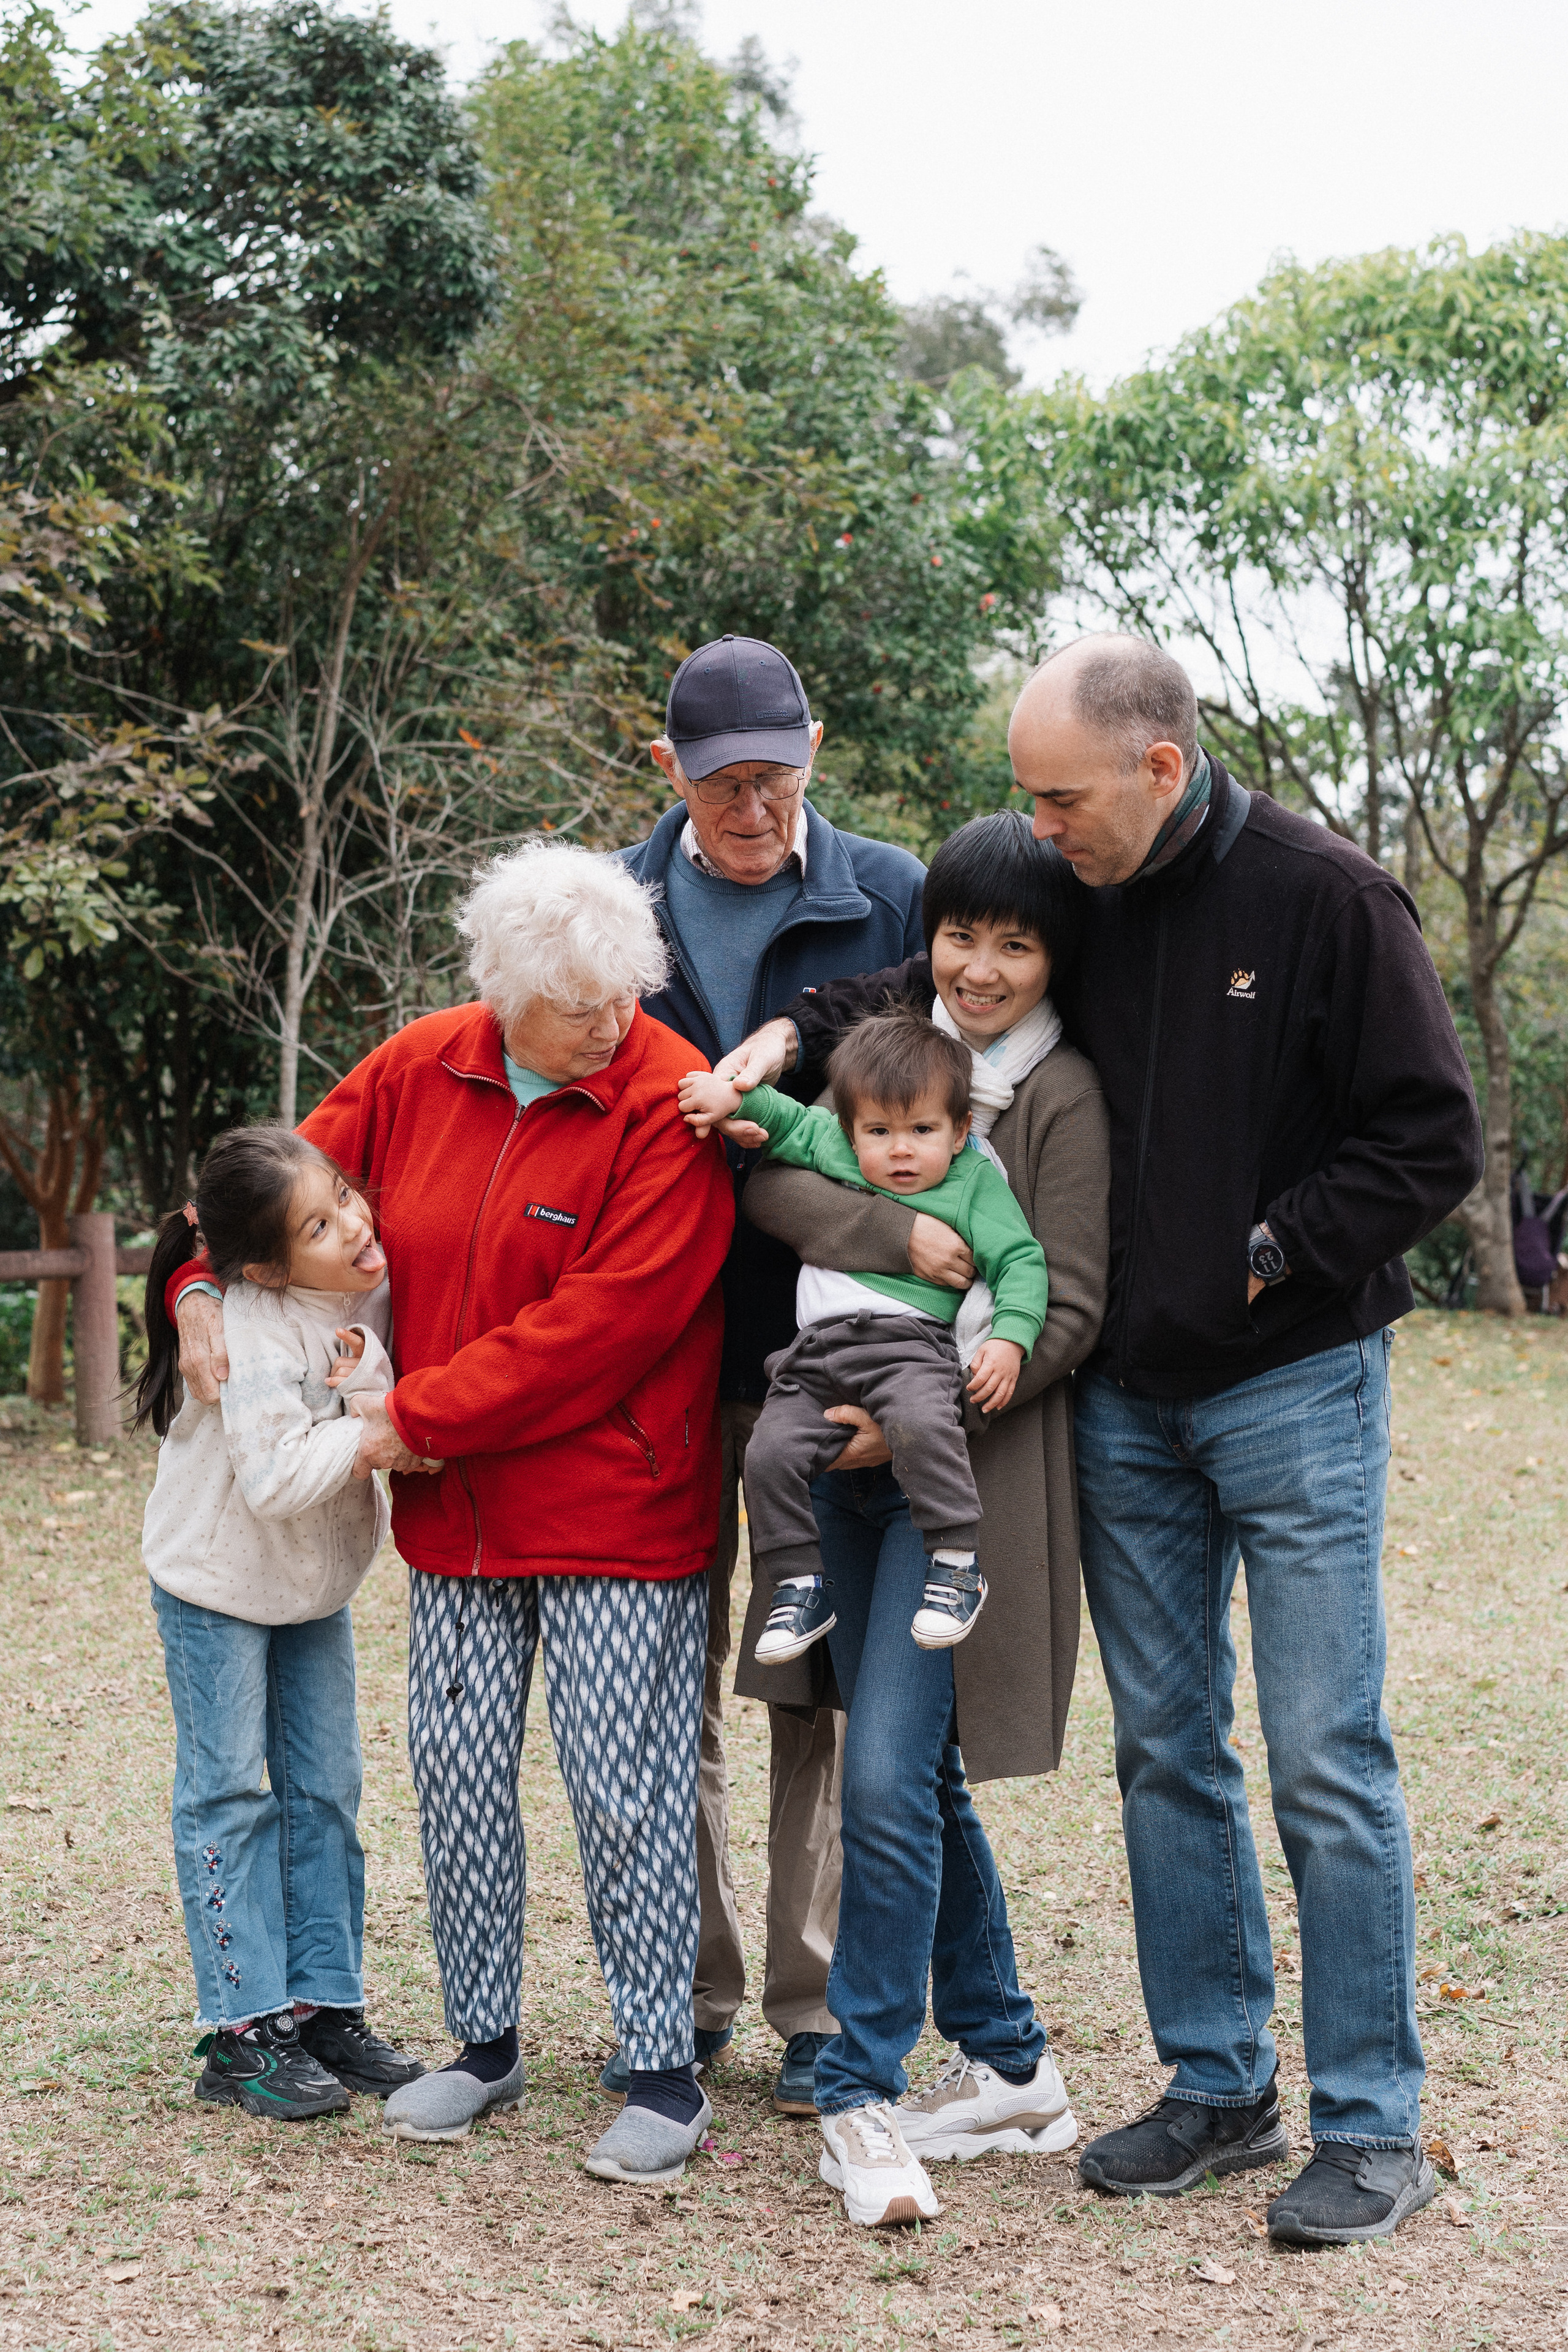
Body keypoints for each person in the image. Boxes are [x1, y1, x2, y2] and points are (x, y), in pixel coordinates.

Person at [1003, 635, 1484, 2246]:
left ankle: (1370, 2125)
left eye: (1060, 796)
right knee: (1165, 1750)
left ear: (1157, 763)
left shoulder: (1329, 898)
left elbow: (1431, 1140)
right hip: (1128, 1404)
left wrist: (1265, 1251)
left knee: (1325, 1756)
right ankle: (1218, 2085)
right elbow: (957, 974)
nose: (1040, 827)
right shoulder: (1076, 883)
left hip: (1293, 1391)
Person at [170, 842, 736, 2186]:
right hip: (455, 1518)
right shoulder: (424, 1061)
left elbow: (599, 1329)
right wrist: (197, 1281)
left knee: (624, 1788)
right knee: (458, 1774)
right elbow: (274, 1188)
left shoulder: (666, 1100)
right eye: (580, 1004)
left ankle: (658, 2066)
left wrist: (401, 1421)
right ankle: (481, 2043)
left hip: (612, 1505)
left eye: (625, 994)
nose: (612, 1025)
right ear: (502, 992)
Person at [715, 812, 1110, 2225]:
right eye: (960, 932)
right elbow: (777, 1177)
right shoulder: (883, 1040)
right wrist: (892, 1236)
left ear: (1054, 951)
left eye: (1015, 940)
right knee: (910, 1775)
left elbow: (1057, 1294)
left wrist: (943, 1391)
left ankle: (861, 2083)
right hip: (837, 1469)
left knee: (886, 1776)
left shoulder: (1058, 1090)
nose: (981, 963)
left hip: (955, 1477)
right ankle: (1007, 2061)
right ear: (923, 932)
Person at [609, 631, 926, 2113]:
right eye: (726, 785)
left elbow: (943, 1088)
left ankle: (809, 1997)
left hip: (826, 1349)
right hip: (653, 1355)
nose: (758, 812)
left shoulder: (895, 892)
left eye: (781, 780)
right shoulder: (604, 906)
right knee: (663, 1676)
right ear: (667, 770)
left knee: (811, 1681)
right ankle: (680, 1986)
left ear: (814, 750)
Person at [137, 1126, 429, 2121]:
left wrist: (374, 1405)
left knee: (328, 1794)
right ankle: (243, 2029)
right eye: (320, 1221)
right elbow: (269, 1480)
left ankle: (324, 2004)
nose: (352, 1221)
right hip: (218, 1581)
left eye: (345, 1195)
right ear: (263, 1262)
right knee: (227, 1797)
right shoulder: (253, 1322)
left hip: (313, 1589)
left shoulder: (360, 1285)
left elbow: (372, 1385)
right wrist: (375, 1432)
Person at [679, 1007, 1048, 1657]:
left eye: (922, 1130)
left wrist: (1009, 1338)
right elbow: (786, 1118)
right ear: (852, 1130)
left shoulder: (971, 1186)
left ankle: (956, 1564)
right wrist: (727, 1093)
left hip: (908, 1348)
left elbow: (1020, 1261)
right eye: (879, 1131)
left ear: (960, 1131)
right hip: (814, 1356)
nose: (900, 1149)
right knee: (769, 1451)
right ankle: (797, 1583)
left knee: (922, 1421)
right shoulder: (839, 1148)